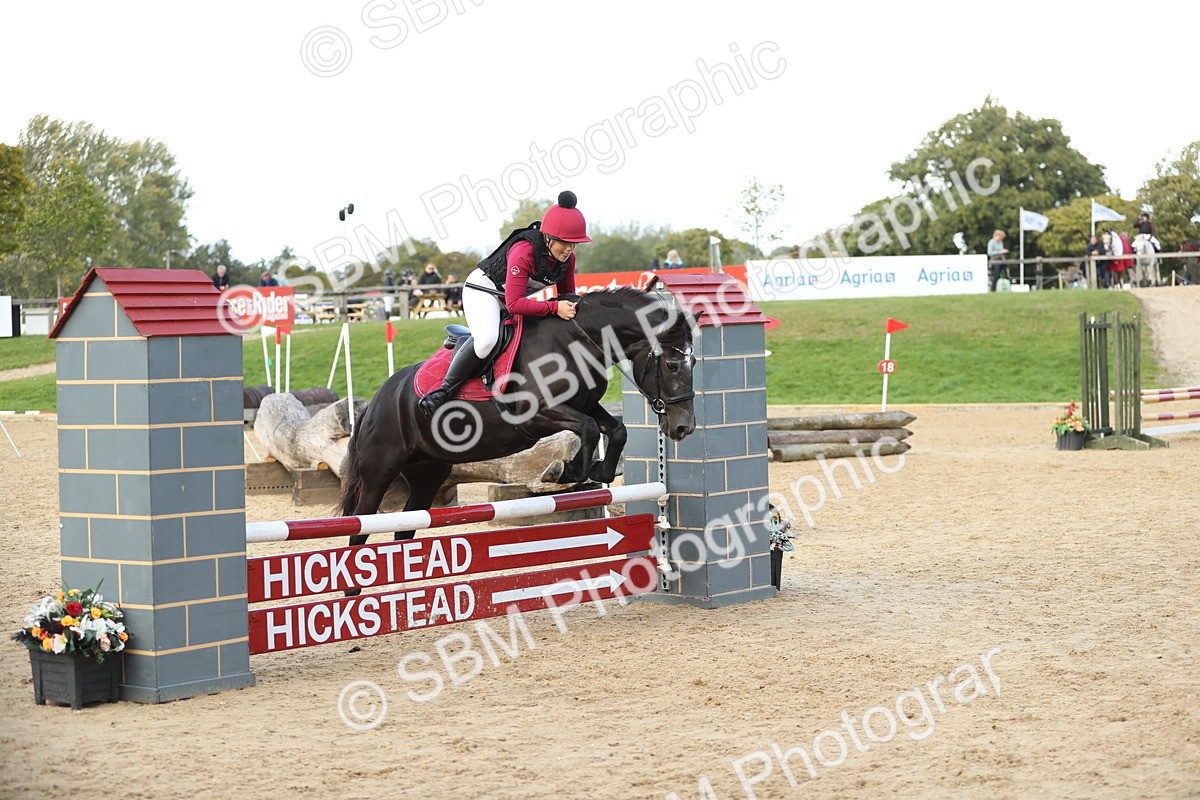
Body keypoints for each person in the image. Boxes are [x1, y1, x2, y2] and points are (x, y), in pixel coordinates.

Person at [418, 190, 588, 418]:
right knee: (487, 341)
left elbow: (568, 296)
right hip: (483, 291)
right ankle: (442, 392)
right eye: (565, 242)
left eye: (574, 243)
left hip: (509, 299)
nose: (569, 249)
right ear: (548, 237)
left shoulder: (568, 260)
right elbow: (516, 304)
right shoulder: (524, 251)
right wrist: (554, 308)